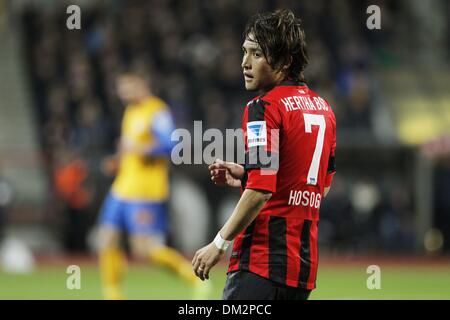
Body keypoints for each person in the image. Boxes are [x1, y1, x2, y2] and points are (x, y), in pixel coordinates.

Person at [192, 9, 337, 300]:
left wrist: (219, 243)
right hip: (301, 270)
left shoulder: (263, 107)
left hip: (260, 263)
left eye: (257, 54)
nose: (245, 63)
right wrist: (247, 174)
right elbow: (321, 186)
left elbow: (261, 191)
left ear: (285, 61)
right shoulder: (323, 108)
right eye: (244, 52)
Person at [98, 70, 209, 300]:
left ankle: (193, 277)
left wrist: (141, 150)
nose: (123, 93)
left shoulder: (157, 111)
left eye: (127, 87)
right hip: (122, 188)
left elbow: (170, 145)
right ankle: (113, 295)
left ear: (141, 85)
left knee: (144, 250)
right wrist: (117, 160)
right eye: (121, 88)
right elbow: (130, 147)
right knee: (106, 237)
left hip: (146, 191)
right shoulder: (131, 111)